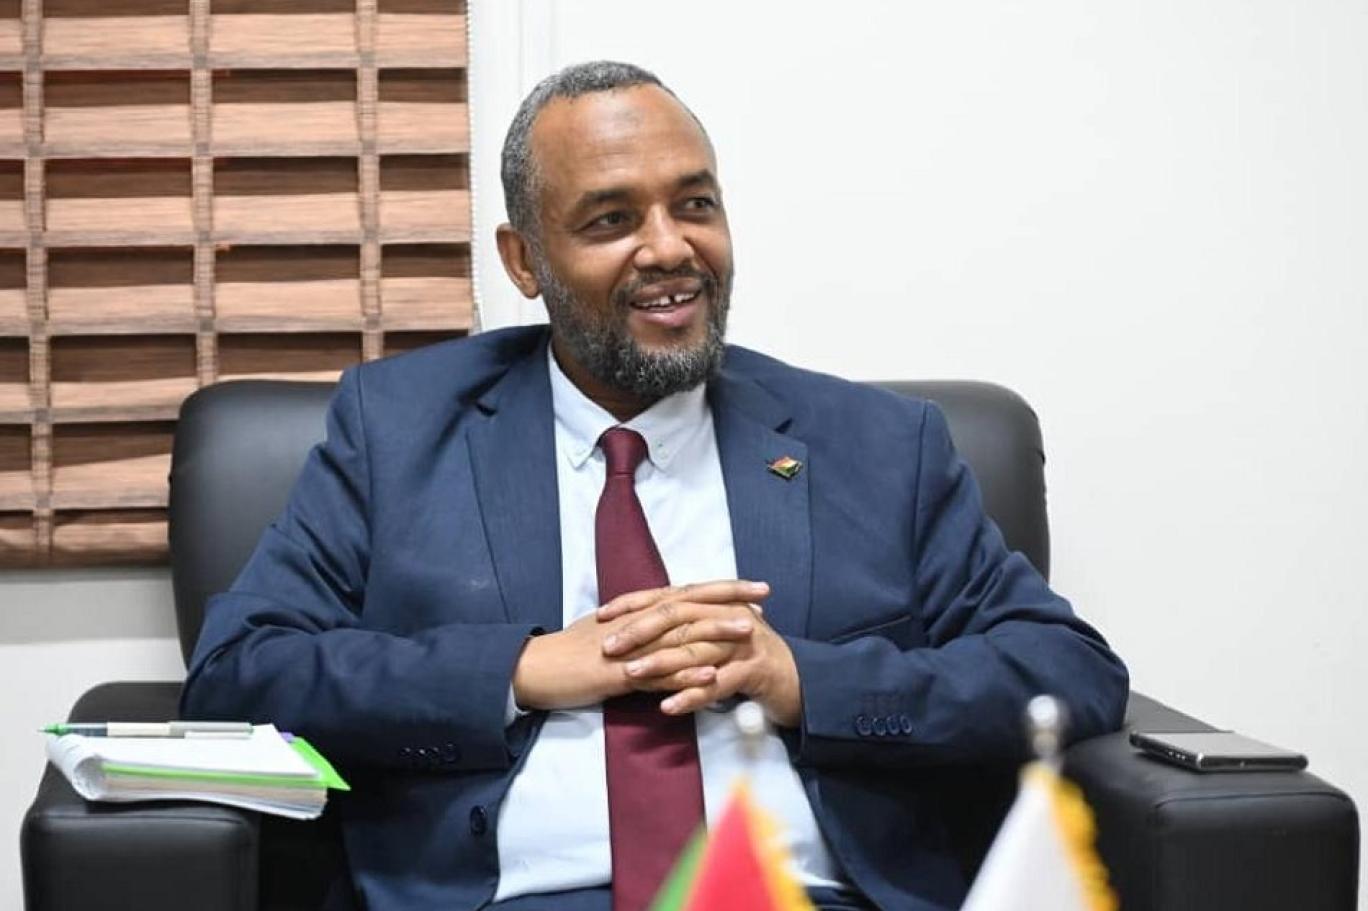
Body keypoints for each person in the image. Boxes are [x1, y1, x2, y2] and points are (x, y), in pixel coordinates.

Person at [182, 61, 1128, 911]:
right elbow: (239, 672)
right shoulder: (397, 430)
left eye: (695, 205)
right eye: (612, 220)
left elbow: (1068, 670)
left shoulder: (876, 444)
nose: (670, 248)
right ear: (524, 260)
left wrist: (802, 680)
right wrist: (517, 671)